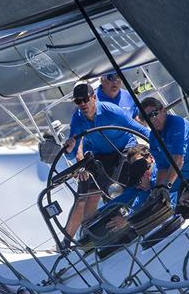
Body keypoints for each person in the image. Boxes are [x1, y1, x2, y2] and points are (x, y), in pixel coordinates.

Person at [62, 82, 150, 245]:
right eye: (78, 101)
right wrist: (70, 149)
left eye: (85, 99)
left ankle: (134, 218)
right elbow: (73, 151)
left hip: (124, 148)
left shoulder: (111, 111)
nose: (82, 104)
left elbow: (136, 128)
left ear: (94, 97)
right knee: (86, 192)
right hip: (101, 155)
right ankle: (76, 239)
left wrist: (158, 141)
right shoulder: (78, 119)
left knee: (128, 176)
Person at [141, 97, 189, 203]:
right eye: (147, 117)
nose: (152, 119)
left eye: (154, 114)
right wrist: (158, 188)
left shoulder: (178, 124)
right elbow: (162, 168)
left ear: (163, 110)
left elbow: (178, 160)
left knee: (181, 199)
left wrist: (166, 186)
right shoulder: (153, 137)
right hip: (185, 177)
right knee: (151, 193)